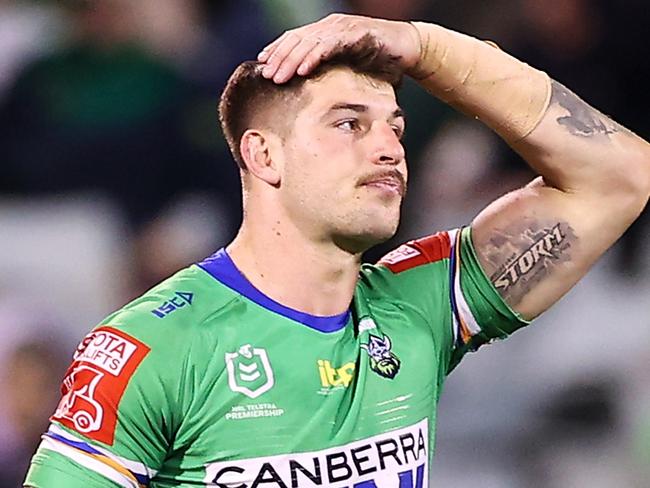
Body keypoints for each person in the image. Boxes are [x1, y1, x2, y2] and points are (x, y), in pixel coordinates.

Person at [24, 13, 649, 488]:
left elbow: (620, 175)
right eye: (349, 124)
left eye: (395, 127)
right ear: (262, 154)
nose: (388, 148)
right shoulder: (154, 347)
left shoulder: (420, 303)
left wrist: (425, 47)